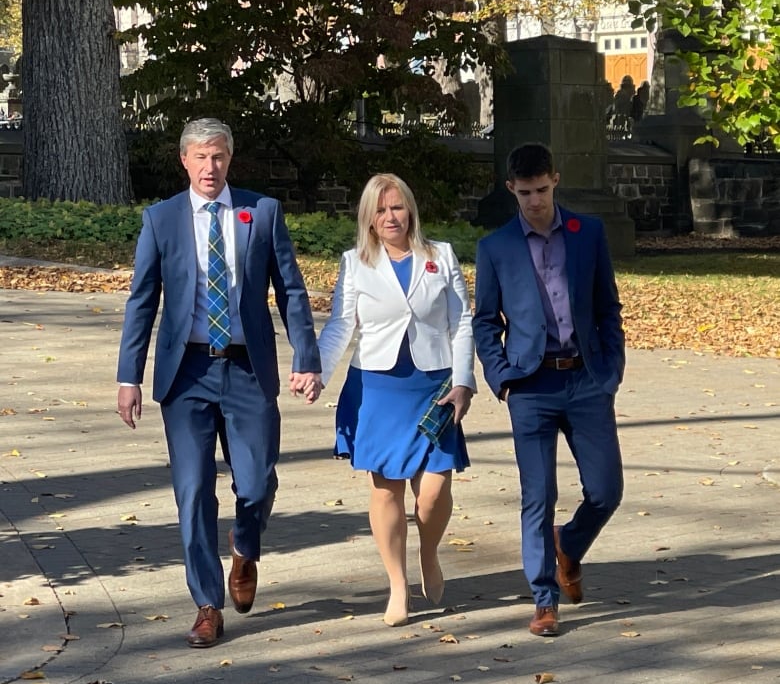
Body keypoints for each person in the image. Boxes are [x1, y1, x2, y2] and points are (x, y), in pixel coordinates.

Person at [116, 117, 322, 648]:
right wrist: (128, 376)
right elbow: (142, 301)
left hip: (247, 368)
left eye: (219, 157)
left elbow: (291, 291)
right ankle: (207, 604)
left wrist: (307, 356)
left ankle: (245, 545)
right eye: (201, 157)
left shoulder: (262, 212)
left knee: (256, 483)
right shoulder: (160, 219)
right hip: (185, 374)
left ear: (230, 160)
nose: (211, 167)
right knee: (192, 491)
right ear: (184, 161)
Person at [472, 143, 624, 637]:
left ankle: (569, 546)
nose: (535, 200)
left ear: (555, 180)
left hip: (586, 379)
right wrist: (501, 378)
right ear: (511, 188)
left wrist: (611, 372)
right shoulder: (496, 247)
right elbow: (483, 322)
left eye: (542, 189)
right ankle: (544, 599)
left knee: (606, 490)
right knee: (537, 495)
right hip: (531, 386)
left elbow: (608, 309)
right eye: (525, 192)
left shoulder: (587, 233)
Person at [312, 173, 476, 627]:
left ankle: (429, 551)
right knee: (385, 488)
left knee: (433, 491)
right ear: (368, 216)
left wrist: (463, 380)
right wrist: (317, 374)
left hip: (433, 385)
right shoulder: (355, 263)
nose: (390, 217)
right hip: (378, 387)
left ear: (411, 211)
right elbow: (341, 326)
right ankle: (397, 585)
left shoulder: (440, 256)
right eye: (380, 210)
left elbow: (461, 323)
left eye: (397, 208)